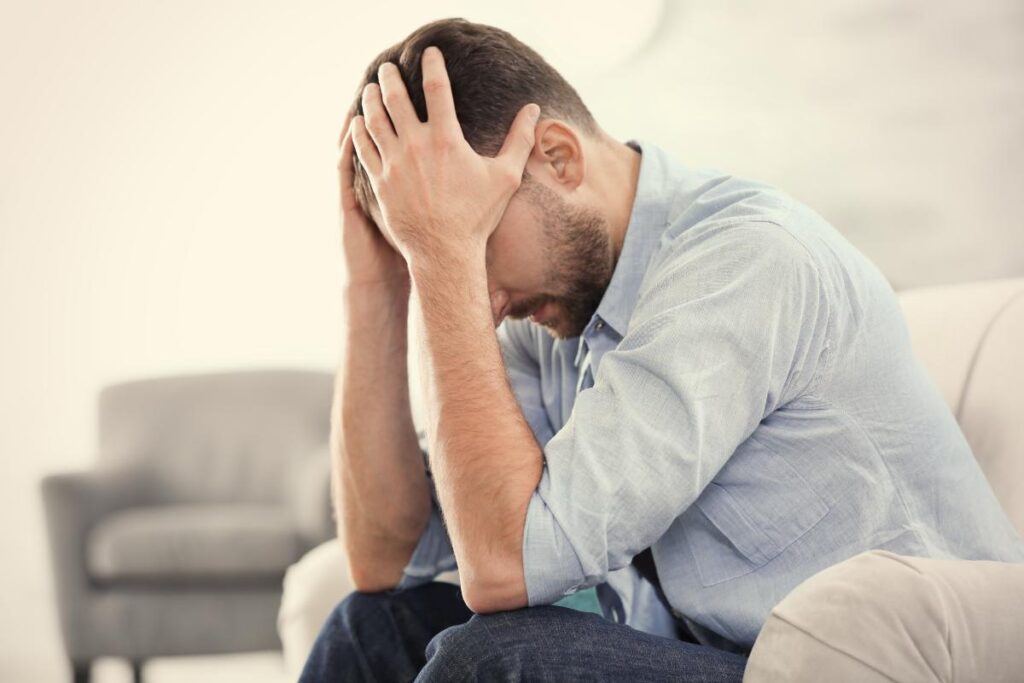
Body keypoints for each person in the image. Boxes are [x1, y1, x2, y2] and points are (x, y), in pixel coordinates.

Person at [301, 17, 1024, 682]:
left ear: (557, 158)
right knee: (372, 629)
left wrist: (447, 257)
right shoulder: (541, 307)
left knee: (492, 663)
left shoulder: (742, 261)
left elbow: (503, 568)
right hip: (713, 653)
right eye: (435, 251)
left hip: (878, 666)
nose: (479, 303)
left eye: (474, 239)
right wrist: (376, 285)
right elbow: (385, 560)